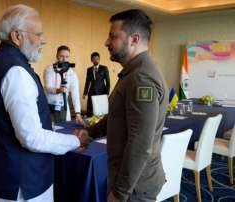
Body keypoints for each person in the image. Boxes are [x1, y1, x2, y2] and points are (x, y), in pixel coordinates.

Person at [0, 4, 91, 202]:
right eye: (38, 34)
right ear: (17, 36)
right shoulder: (17, 72)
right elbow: (31, 137)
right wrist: (75, 141)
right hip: (21, 186)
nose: (43, 40)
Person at [77, 9, 168, 202]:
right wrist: (91, 132)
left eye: (113, 36)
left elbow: (140, 143)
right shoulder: (133, 72)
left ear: (134, 39)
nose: (106, 43)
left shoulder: (141, 77)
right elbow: (120, 115)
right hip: (132, 181)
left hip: (135, 188)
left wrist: (120, 193)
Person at [43, 45, 84, 124]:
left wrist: (78, 113)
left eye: (67, 57)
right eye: (61, 56)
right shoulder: (49, 69)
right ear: (57, 56)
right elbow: (47, 87)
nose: (64, 59)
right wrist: (58, 90)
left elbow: (75, 93)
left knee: (63, 128)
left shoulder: (72, 73)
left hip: (63, 106)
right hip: (49, 105)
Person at [83, 52, 110, 117]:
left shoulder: (104, 68)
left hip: (101, 91)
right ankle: (89, 120)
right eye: (94, 59)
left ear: (99, 59)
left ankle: (100, 122)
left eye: (97, 59)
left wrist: (107, 92)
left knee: (100, 109)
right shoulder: (89, 69)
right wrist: (85, 92)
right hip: (92, 91)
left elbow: (108, 81)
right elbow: (87, 81)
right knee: (90, 108)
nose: (96, 60)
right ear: (91, 60)